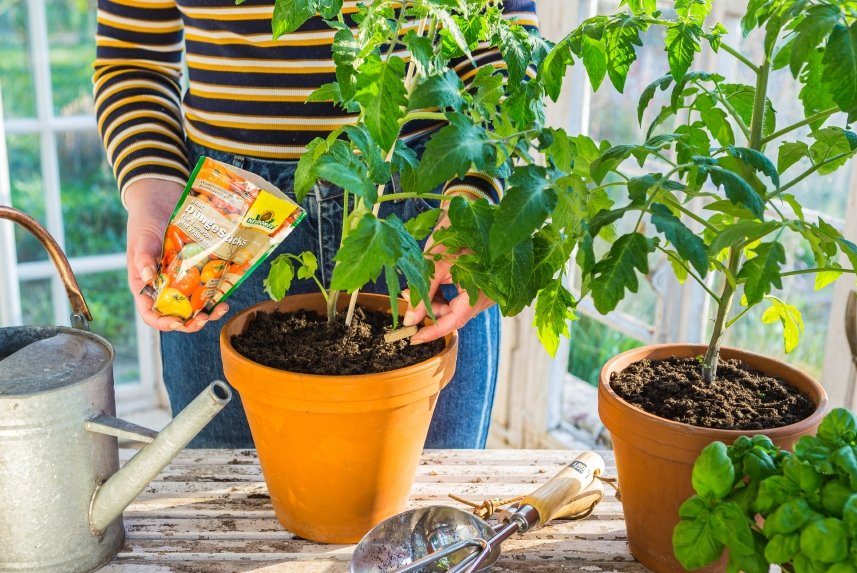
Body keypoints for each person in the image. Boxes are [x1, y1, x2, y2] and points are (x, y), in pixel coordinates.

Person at [94, 0, 539, 448]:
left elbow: (500, 37)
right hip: (225, 211)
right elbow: (134, 57)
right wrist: (152, 190)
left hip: (431, 201)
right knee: (225, 495)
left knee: (432, 505)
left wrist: (478, 200)